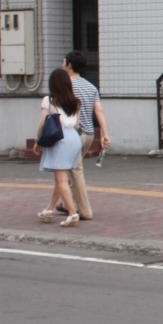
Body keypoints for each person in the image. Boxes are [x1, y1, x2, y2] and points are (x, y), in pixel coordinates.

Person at [61, 51, 109, 221]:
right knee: (68, 169)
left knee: (74, 170)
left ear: (69, 65)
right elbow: (99, 111)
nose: (62, 64)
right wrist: (104, 133)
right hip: (89, 135)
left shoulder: (66, 85)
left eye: (63, 61)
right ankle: (65, 202)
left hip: (73, 134)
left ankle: (84, 210)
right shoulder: (91, 86)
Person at [35, 68, 83, 227]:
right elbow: (77, 124)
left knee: (61, 179)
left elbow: (42, 123)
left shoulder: (48, 100)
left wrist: (37, 140)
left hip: (59, 139)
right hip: (74, 138)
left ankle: (72, 214)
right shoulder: (75, 101)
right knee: (60, 177)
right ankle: (49, 209)